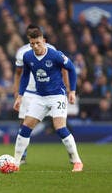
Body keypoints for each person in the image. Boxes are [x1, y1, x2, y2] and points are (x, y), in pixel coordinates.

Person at [13, 25, 83, 172]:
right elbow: (25, 75)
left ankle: (77, 161)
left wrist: (72, 91)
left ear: (44, 41)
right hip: (39, 97)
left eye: (38, 43)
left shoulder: (55, 55)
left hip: (57, 95)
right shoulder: (27, 56)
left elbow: (71, 69)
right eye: (32, 44)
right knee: (25, 128)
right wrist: (20, 95)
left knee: (60, 128)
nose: (35, 46)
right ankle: (16, 163)